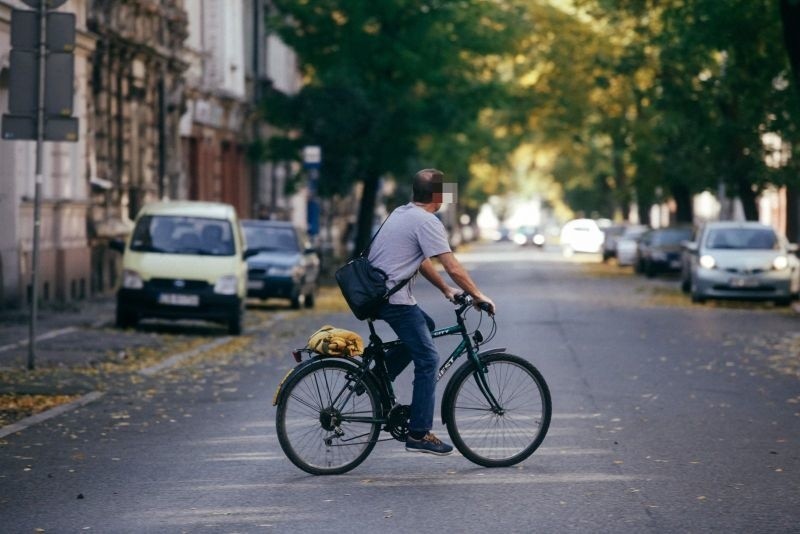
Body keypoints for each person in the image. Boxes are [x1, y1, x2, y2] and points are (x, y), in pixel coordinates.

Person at [368, 168, 496, 455]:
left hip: (380, 295)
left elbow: (420, 260)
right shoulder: (427, 221)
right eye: (445, 193)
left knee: (424, 325)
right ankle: (419, 432)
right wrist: (477, 295)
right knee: (428, 359)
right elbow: (453, 267)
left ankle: (378, 377)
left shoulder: (402, 213)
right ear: (438, 196)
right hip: (393, 299)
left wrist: (445, 290)